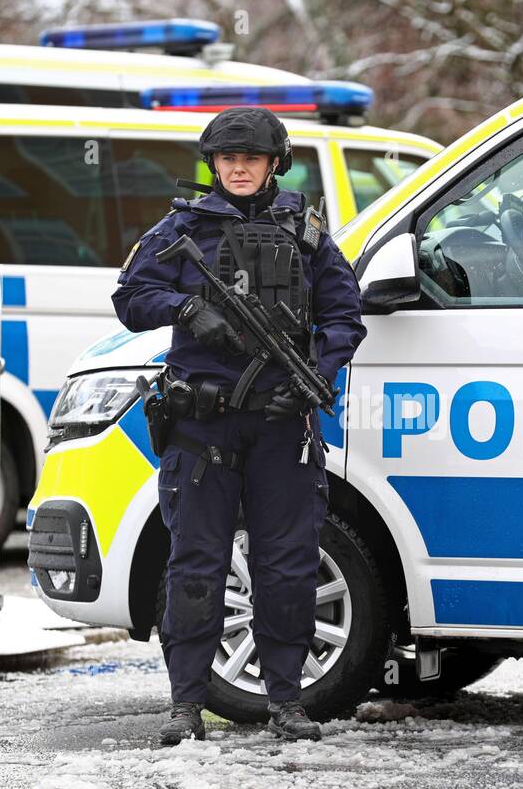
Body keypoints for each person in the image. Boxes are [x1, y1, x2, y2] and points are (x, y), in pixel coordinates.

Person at [111, 107, 366, 745]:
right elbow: (130, 298)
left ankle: (287, 704)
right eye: (227, 160)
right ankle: (185, 708)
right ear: (213, 165)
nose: (238, 169)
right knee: (196, 566)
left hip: (282, 426)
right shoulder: (182, 228)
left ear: (274, 163)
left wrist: (316, 374)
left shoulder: (306, 232)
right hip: (204, 429)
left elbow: (344, 316)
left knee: (288, 566)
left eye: (251, 159)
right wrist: (188, 308)